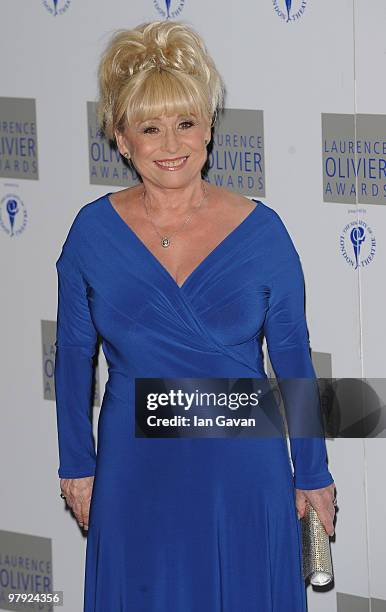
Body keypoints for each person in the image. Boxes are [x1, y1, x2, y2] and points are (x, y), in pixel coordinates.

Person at [55, 20, 336, 612]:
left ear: (209, 128)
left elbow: (293, 361)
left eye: (185, 122)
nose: (171, 143)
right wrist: (77, 465)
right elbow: (75, 358)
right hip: (136, 469)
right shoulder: (91, 234)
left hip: (242, 468)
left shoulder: (263, 233)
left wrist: (311, 472)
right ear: (120, 137)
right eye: (149, 128)